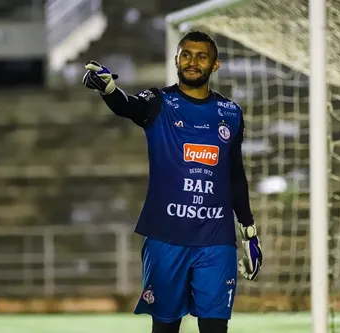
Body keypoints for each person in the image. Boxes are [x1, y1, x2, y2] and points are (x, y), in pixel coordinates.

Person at [82, 30, 263, 333]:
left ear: (214, 65)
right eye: (186, 55)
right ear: (176, 60)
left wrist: (249, 232)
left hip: (216, 241)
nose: (192, 61)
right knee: (165, 329)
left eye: (201, 56)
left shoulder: (231, 113)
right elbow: (128, 105)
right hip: (166, 239)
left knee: (216, 329)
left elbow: (235, 175)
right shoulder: (158, 102)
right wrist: (109, 89)